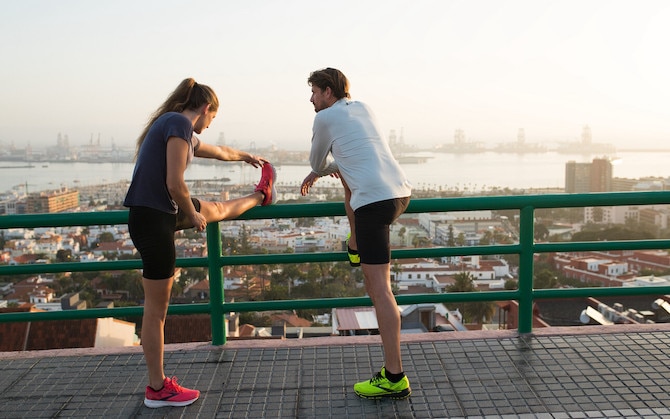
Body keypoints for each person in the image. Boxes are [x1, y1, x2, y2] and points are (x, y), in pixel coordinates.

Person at [123, 78, 276, 408]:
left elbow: (220, 152)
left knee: (218, 209)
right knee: (156, 313)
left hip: (154, 214)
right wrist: (193, 218)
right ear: (206, 109)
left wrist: (246, 157)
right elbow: (174, 181)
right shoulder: (178, 123)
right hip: (156, 219)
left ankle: (261, 193)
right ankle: (157, 388)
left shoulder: (176, 126)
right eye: (213, 119)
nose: (209, 126)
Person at [300, 68, 413, 400]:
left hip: (374, 204)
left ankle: (394, 376)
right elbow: (358, 155)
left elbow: (318, 162)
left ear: (329, 93)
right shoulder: (362, 107)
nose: (311, 98)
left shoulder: (324, 119)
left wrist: (321, 171)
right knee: (349, 178)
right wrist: (337, 167)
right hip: (400, 193)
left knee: (380, 291)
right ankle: (354, 243)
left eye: (315, 92)